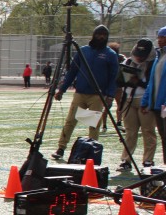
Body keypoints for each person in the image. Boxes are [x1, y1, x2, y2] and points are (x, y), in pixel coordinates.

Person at [51, 25, 119, 160]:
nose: (101, 37)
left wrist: (110, 95)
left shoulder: (110, 54)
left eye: (104, 35)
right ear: (93, 35)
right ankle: (61, 148)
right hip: (80, 93)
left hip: (97, 95)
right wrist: (62, 90)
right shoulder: (83, 51)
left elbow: (113, 77)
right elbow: (72, 72)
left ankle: (91, 153)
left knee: (93, 124)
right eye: (98, 34)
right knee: (70, 121)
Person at [116, 38, 155, 172]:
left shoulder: (152, 65)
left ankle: (148, 160)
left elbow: (152, 85)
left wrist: (138, 81)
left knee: (148, 131)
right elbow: (119, 82)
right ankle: (126, 160)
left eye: (142, 55)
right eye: (137, 54)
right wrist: (123, 77)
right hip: (129, 100)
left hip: (145, 100)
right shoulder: (127, 62)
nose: (139, 58)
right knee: (130, 132)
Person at [141, 26, 166, 166]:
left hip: (164, 105)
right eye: (159, 37)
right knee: (163, 136)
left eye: (163, 37)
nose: (160, 40)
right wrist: (145, 101)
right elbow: (152, 82)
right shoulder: (158, 57)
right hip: (157, 105)